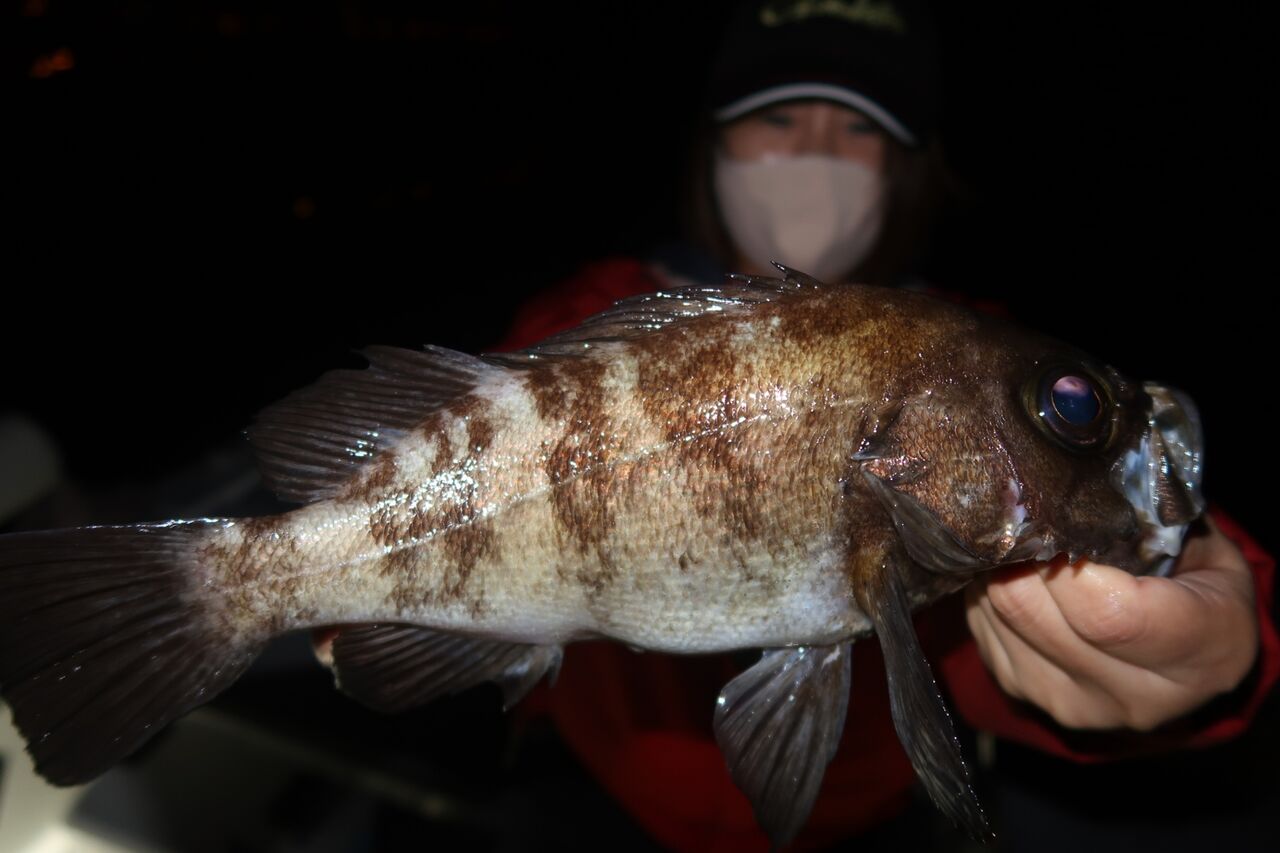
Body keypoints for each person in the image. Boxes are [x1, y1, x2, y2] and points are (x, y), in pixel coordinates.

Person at [497, 2, 1277, 850]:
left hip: (859, 826)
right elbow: (465, 451)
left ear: (908, 168)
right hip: (590, 800)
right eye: (778, 117)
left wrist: (1217, 648)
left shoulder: (972, 344)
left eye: (859, 126)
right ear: (711, 144)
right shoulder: (577, 318)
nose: (815, 150)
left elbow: (1000, 638)